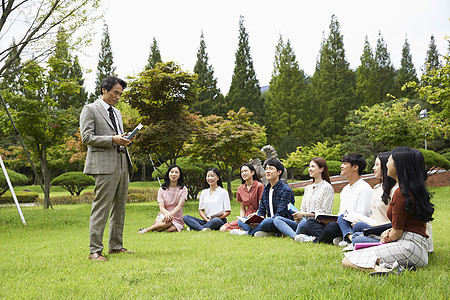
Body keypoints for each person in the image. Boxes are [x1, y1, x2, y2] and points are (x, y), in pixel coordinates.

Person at [342, 147, 434, 274]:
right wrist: (389, 231)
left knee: (348, 260)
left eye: (389, 161)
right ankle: (397, 266)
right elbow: (409, 224)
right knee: (362, 251)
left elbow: (397, 234)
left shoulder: (400, 193)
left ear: (399, 166)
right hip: (418, 248)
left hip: (407, 248)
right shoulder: (413, 190)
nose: (386, 165)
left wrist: (387, 236)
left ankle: (383, 270)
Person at [80, 76, 134, 261]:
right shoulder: (90, 109)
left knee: (120, 208)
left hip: (122, 162)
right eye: (115, 93)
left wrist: (123, 138)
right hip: (103, 165)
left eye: (120, 94)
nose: (118, 97)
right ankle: (95, 251)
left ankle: (116, 246)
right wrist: (112, 139)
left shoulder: (117, 113)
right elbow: (86, 138)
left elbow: (115, 135)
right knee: (101, 208)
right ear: (104, 90)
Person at [299, 153, 373, 244]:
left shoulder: (364, 189)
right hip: (341, 223)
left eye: (345, 163)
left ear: (355, 167)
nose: (341, 166)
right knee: (313, 223)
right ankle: (339, 238)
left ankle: (318, 239)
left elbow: (363, 216)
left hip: (354, 225)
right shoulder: (345, 189)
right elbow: (341, 213)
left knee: (331, 228)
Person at [273, 157, 334, 242]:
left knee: (304, 223)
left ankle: (296, 235)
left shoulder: (327, 187)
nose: (309, 169)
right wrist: (298, 217)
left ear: (321, 169)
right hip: (303, 222)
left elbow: (325, 212)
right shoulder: (308, 188)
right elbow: (303, 208)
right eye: (309, 166)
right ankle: (296, 237)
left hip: (317, 224)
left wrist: (304, 214)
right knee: (277, 219)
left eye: (312, 166)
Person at [231, 158, 295, 237]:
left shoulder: (285, 190)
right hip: (268, 222)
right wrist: (256, 219)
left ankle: (248, 233)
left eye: (271, 169)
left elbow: (280, 214)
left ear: (279, 172)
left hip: (281, 222)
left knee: (268, 220)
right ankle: (265, 231)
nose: (267, 171)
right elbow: (261, 211)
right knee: (241, 222)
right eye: (266, 169)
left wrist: (263, 221)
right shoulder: (266, 189)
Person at [348, 152, 398, 247]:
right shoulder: (376, 188)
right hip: (374, 226)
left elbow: (395, 222)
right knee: (357, 226)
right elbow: (373, 216)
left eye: (377, 165)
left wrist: (374, 227)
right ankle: (358, 238)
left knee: (358, 236)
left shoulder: (395, 190)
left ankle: (357, 239)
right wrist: (363, 221)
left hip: (385, 229)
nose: (374, 168)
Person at [138, 165, 187, 233]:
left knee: (172, 229)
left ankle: (155, 230)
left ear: (179, 175)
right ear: (168, 174)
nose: (174, 174)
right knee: (168, 223)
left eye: (176, 172)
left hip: (176, 217)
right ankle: (146, 230)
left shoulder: (183, 189)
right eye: (172, 172)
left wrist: (171, 214)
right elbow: (161, 207)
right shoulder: (162, 189)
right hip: (164, 216)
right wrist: (167, 214)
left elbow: (180, 206)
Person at [219, 163, 264, 232]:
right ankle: (245, 230)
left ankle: (247, 231)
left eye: (246, 171)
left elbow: (261, 207)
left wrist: (255, 215)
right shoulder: (240, 189)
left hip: (257, 217)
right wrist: (241, 219)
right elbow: (242, 209)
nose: (243, 173)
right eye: (242, 172)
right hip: (246, 218)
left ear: (252, 172)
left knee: (251, 226)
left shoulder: (259, 186)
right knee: (223, 229)